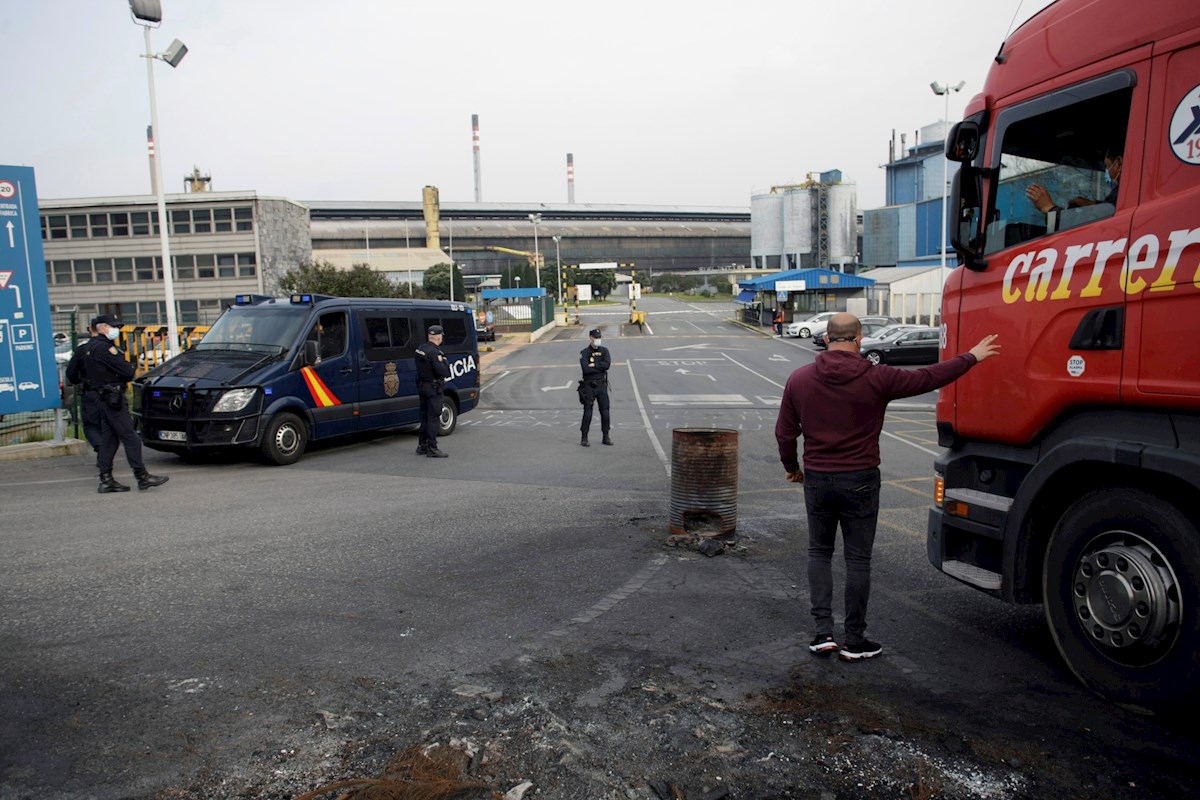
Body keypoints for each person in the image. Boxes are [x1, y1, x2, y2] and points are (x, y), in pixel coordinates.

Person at [774, 313, 999, 661]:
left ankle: (822, 635)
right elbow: (927, 377)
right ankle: (854, 640)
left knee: (819, 552)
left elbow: (785, 433)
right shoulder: (877, 378)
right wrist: (971, 357)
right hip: (861, 479)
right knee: (858, 559)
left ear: (827, 338)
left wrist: (793, 467)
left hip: (818, 478)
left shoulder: (799, 379)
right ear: (859, 338)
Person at [73, 314, 169, 493]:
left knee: (110, 439)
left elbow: (73, 374)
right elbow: (127, 371)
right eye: (113, 326)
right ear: (101, 328)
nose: (116, 330)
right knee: (131, 437)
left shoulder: (88, 348)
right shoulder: (105, 348)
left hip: (101, 397)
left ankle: (106, 479)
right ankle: (142, 476)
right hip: (112, 398)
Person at [1025, 150, 1121, 215]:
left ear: (1119, 163)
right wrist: (1092, 205)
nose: (1106, 172)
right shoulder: (1124, 194)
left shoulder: (1122, 194)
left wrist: (1048, 208)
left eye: (1107, 166)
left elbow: (1107, 217)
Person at [64, 322, 103, 463]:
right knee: (108, 424)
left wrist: (79, 381)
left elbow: (71, 374)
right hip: (111, 395)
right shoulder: (111, 349)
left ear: (89, 330)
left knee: (91, 425)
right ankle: (105, 453)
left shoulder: (82, 350)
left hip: (90, 393)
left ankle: (101, 450)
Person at [415, 324, 452, 458]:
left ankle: (422, 445)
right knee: (433, 418)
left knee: (425, 416)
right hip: (433, 388)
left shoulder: (421, 349)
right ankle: (432, 447)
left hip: (422, 386)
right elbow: (443, 371)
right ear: (438, 337)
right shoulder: (435, 352)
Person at [578, 328, 612, 447]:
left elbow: (607, 365)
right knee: (588, 411)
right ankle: (584, 437)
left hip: (602, 384)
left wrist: (594, 365)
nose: (598, 339)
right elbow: (586, 369)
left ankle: (606, 436)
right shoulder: (585, 352)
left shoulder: (605, 351)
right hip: (589, 385)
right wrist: (599, 367)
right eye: (596, 337)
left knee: (605, 412)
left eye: (599, 337)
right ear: (590, 338)